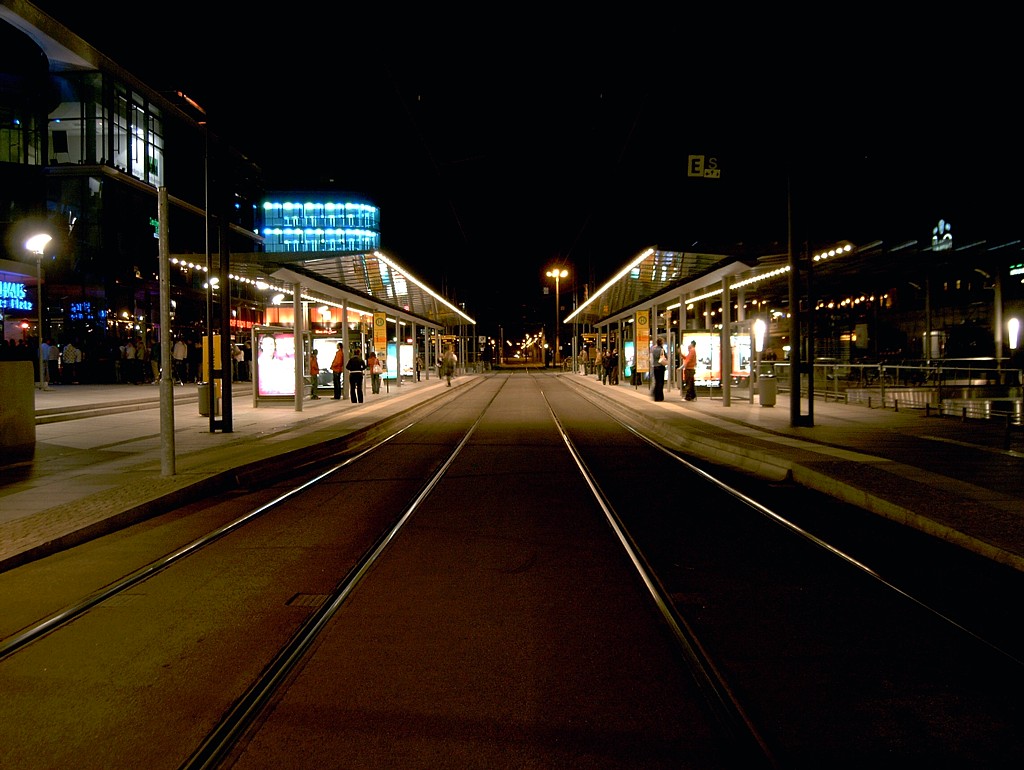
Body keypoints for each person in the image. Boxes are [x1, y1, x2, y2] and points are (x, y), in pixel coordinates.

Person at [651, 337, 667, 401]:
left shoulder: (654, 349)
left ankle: (656, 397)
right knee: (661, 382)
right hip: (660, 367)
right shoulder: (662, 350)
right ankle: (660, 397)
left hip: (655, 367)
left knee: (657, 381)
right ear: (661, 343)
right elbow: (666, 357)